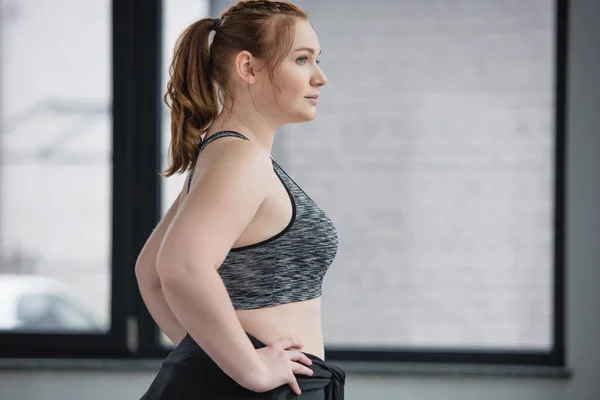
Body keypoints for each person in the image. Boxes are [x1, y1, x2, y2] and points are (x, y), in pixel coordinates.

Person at [135, 0, 345, 398]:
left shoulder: (223, 153)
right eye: (302, 59)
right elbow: (179, 267)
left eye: (317, 60)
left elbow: (151, 276)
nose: (320, 78)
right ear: (248, 67)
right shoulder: (241, 160)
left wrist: (220, 359)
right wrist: (249, 370)